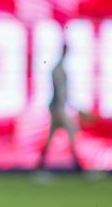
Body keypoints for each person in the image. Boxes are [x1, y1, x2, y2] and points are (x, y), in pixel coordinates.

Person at [36, 43, 84, 172]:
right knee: (72, 135)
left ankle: (40, 167)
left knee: (54, 139)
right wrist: (59, 110)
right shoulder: (58, 69)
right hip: (58, 109)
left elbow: (63, 94)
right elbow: (60, 93)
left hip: (58, 108)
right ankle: (79, 168)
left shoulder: (59, 68)